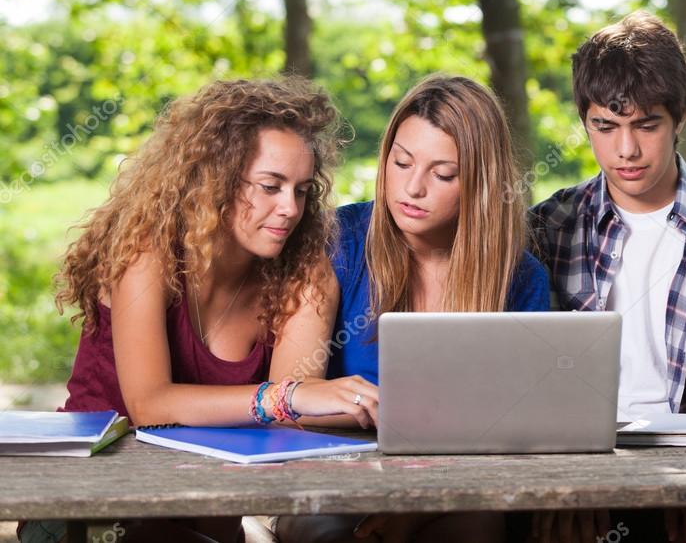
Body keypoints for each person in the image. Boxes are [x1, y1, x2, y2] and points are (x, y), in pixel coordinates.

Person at [22, 78, 377, 543]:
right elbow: (150, 405)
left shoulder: (301, 273)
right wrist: (286, 397)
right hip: (88, 515)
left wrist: (379, 406)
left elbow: (293, 411)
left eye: (303, 190)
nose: (289, 208)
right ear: (214, 180)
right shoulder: (145, 255)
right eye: (270, 186)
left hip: (210, 515)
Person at [274, 75, 551, 543]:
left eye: (443, 175)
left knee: (473, 532)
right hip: (333, 475)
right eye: (401, 163)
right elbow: (288, 397)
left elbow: (518, 428)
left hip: (459, 486)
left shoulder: (521, 279)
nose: (413, 188)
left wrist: (415, 507)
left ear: (481, 185)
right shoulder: (335, 241)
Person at [528, 12, 686, 542]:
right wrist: (568, 483)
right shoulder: (546, 229)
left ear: (680, 118)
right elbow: (526, 384)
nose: (626, 150)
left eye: (646, 125)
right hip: (580, 458)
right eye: (605, 127)